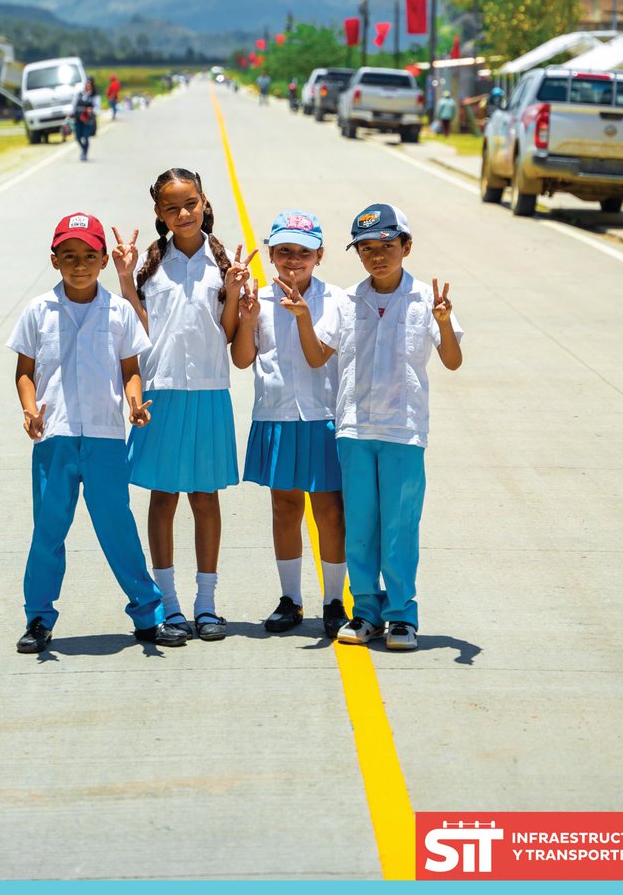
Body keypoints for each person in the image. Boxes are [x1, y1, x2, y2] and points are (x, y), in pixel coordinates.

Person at [279, 203, 463, 652]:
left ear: (406, 246)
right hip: (355, 430)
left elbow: (453, 361)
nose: (376, 256)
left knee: (399, 526)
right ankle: (365, 613)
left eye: (386, 245)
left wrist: (443, 324)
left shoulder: (426, 300)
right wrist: (303, 318)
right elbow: (317, 356)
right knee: (359, 525)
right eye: (365, 249)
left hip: (403, 431)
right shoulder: (348, 299)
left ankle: (402, 615)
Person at [6, 212, 188, 655]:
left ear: (104, 260)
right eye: (69, 256)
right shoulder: (38, 310)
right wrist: (30, 411)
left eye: (89, 255)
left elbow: (131, 369)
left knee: (117, 527)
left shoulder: (119, 311)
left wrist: (134, 403)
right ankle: (38, 617)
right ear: (54, 261)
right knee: (48, 530)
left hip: (106, 437)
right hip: (56, 437)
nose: (79, 264)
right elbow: (25, 372)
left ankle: (149, 613)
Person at [112, 168, 253, 642]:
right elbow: (139, 330)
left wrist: (234, 292)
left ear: (204, 201)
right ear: (158, 213)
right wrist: (126, 280)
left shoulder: (224, 261)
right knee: (163, 497)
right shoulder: (153, 265)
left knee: (206, 497)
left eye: (190, 203)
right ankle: (169, 605)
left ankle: (206, 604)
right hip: (161, 392)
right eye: (171, 207)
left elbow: (231, 332)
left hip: (210, 392)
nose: (183, 213)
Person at [231, 211, 348, 638]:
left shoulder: (336, 300)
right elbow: (243, 359)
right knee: (284, 507)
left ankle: (335, 599)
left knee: (330, 512)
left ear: (319, 254)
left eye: (303, 252)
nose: (293, 260)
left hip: (323, 416)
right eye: (284, 252)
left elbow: (322, 356)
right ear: (271, 254)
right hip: (276, 414)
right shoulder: (257, 299)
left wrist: (301, 315)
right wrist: (245, 317)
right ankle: (290, 599)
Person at [73, 77, 99, 161]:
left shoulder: (94, 96)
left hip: (88, 120)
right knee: (77, 137)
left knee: (85, 137)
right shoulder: (80, 94)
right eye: (86, 84)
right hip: (78, 118)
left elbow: (97, 108)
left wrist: (91, 111)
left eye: (89, 84)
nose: (88, 86)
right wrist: (71, 114)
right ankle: (83, 149)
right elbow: (74, 105)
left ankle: (84, 153)